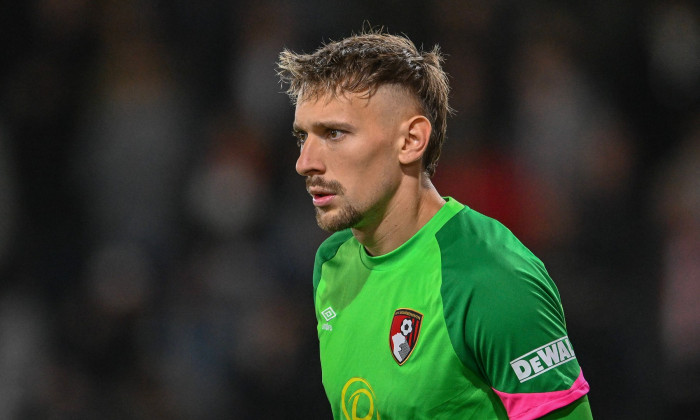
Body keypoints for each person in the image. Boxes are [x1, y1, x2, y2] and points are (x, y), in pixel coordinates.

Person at [277, 30, 592, 419]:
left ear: (411, 140)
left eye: (335, 133)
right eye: (302, 137)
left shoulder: (491, 276)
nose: (305, 162)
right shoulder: (332, 263)